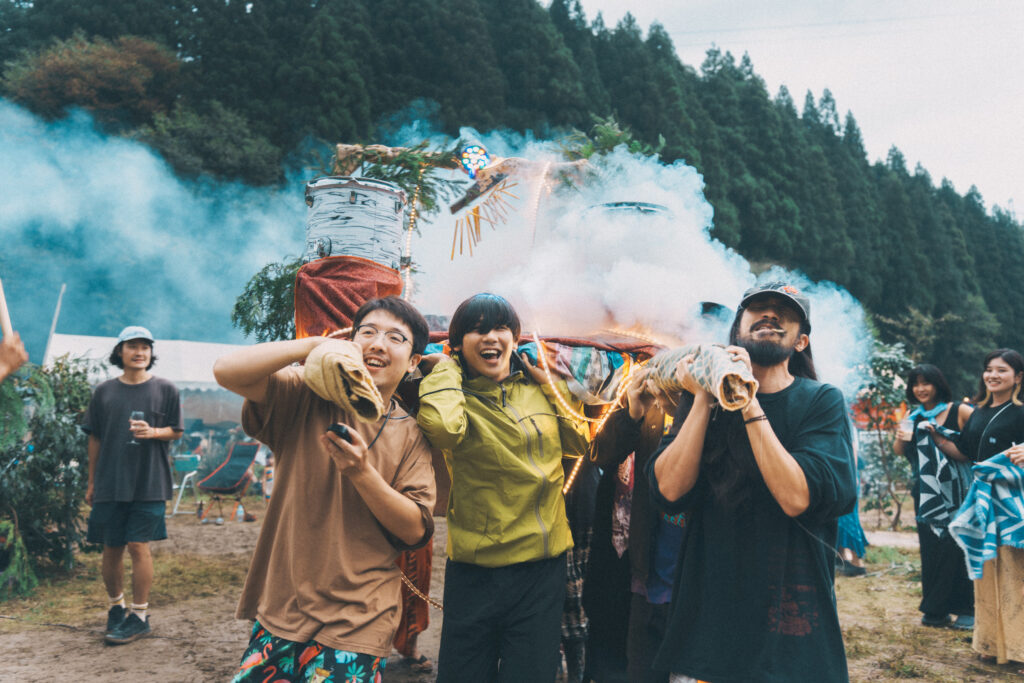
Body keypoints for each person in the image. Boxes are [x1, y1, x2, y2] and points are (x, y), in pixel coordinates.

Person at [214, 296, 436, 683]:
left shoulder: (412, 433)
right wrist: (314, 345)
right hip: (283, 607)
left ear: (413, 361)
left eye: (395, 338)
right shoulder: (305, 394)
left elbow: (415, 529)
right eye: (368, 332)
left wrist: (362, 473)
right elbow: (226, 371)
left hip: (360, 618)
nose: (378, 344)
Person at [648, 282, 857, 683]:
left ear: (801, 341)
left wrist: (746, 397)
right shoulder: (702, 401)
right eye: (758, 308)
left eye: (784, 313)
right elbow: (669, 490)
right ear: (737, 331)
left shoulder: (821, 401)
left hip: (788, 624)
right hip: (709, 620)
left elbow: (796, 497)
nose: (770, 315)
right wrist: (704, 396)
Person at [416, 293, 590, 683]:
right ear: (458, 344)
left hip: (542, 569)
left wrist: (549, 384)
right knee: (464, 675)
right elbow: (443, 431)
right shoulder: (454, 393)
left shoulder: (536, 387)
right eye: (476, 330)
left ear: (514, 338)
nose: (490, 337)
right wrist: (445, 369)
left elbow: (579, 442)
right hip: (475, 571)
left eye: (500, 328)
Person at [83, 325, 183, 644]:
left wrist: (154, 432)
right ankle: (117, 608)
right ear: (120, 352)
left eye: (145, 347)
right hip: (110, 481)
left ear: (151, 353)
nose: (140, 352)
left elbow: (176, 430)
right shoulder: (104, 391)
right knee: (111, 547)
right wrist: (91, 481)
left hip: (149, 481)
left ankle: (139, 616)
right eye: (132, 346)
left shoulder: (166, 389)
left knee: (139, 545)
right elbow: (95, 438)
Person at [587, 366, 681, 683]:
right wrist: (632, 413)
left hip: (675, 564)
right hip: (631, 557)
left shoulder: (704, 403)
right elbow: (600, 453)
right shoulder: (635, 390)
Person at [947, 349, 1024, 666]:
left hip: (1013, 502)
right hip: (981, 501)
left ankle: (1019, 650)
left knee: (1015, 573)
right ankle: (991, 644)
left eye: (1002, 370)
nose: (993, 375)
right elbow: (964, 451)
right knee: (986, 568)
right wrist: (933, 433)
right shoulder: (977, 412)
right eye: (989, 369)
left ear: (1018, 377)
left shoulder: (1021, 412)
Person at [892, 364, 974, 627]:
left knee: (958, 546)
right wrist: (901, 435)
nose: (920, 389)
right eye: (915, 384)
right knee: (931, 549)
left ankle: (967, 609)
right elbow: (899, 451)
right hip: (926, 491)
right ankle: (935, 610)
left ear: (938, 384)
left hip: (959, 490)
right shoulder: (913, 416)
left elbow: (976, 443)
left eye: (926, 383)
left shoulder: (959, 410)